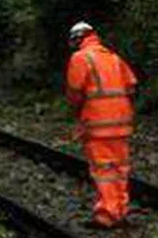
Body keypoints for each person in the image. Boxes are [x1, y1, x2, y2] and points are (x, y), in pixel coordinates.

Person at [65, 20, 138, 228]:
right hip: (121, 124)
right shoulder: (114, 58)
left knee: (104, 171)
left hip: (98, 125)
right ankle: (120, 211)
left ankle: (107, 215)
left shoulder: (80, 58)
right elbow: (131, 86)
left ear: (77, 39)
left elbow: (75, 92)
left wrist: (79, 110)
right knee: (120, 169)